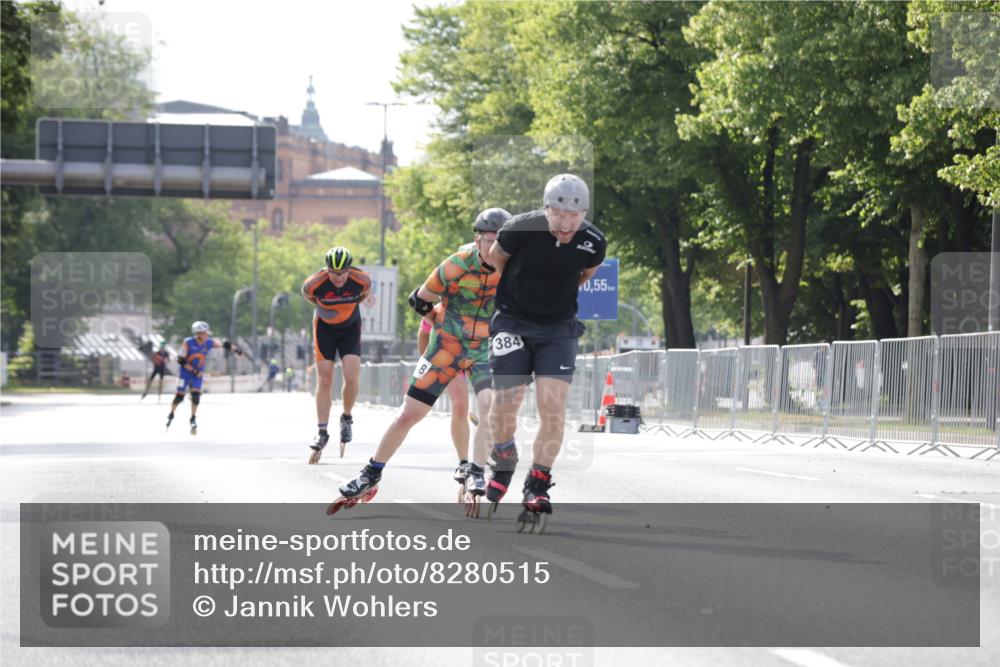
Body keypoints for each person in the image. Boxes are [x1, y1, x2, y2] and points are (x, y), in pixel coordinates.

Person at [330, 208, 511, 514]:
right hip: (446, 347)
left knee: (488, 406)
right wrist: (436, 319)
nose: (494, 251)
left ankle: (475, 469)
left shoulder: (512, 267)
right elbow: (419, 299)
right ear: (477, 238)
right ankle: (372, 472)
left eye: (501, 244)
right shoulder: (456, 263)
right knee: (408, 414)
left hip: (483, 348)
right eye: (489, 242)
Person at [483, 174, 606, 530]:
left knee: (553, 407)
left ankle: (538, 482)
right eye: (559, 215)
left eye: (575, 216)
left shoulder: (593, 241)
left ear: (583, 213)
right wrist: (522, 292)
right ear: (546, 209)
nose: (567, 223)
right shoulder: (519, 229)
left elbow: (585, 274)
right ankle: (503, 454)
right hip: (512, 322)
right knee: (506, 403)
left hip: (558, 328)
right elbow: (496, 260)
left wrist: (553, 296)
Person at [301, 246, 371, 463]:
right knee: (324, 379)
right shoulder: (314, 283)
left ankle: (346, 417)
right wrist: (328, 311)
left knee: (352, 376)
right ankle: (322, 431)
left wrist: (345, 309)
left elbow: (364, 295)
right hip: (324, 328)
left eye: (342, 273)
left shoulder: (362, 280)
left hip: (350, 327)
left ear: (349, 270)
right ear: (327, 269)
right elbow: (309, 297)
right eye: (333, 273)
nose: (338, 278)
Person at [417, 305, 479, 490]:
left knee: (491, 403)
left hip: (478, 355)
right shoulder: (438, 311)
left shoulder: (482, 305)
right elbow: (423, 334)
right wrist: (425, 360)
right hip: (449, 358)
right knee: (460, 404)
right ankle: (463, 462)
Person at [166, 321, 243, 434]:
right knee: (179, 397)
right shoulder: (188, 342)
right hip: (185, 373)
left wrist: (236, 350)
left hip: (198, 374)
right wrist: (193, 370)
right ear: (198, 333)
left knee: (196, 396)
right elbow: (180, 360)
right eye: (204, 333)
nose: (207, 335)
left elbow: (224, 343)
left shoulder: (208, 342)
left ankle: (192, 418)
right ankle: (171, 413)